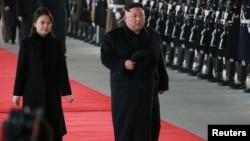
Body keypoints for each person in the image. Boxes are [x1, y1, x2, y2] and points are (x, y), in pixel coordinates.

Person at [100, 3, 169, 141]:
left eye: (141, 15)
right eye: (134, 16)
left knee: (150, 125)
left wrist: (163, 82)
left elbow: (159, 60)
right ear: (125, 18)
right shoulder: (113, 37)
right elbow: (106, 58)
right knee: (127, 126)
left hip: (149, 87)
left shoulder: (153, 35)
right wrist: (123, 64)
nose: (138, 19)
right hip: (126, 89)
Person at [12, 7, 73, 141]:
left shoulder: (56, 45)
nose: (45, 26)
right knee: (34, 128)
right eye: (42, 23)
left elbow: (62, 70)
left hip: (52, 91)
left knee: (53, 125)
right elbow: (21, 70)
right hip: (32, 92)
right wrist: (17, 93)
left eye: (48, 23)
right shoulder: (27, 44)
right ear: (34, 24)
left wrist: (66, 92)